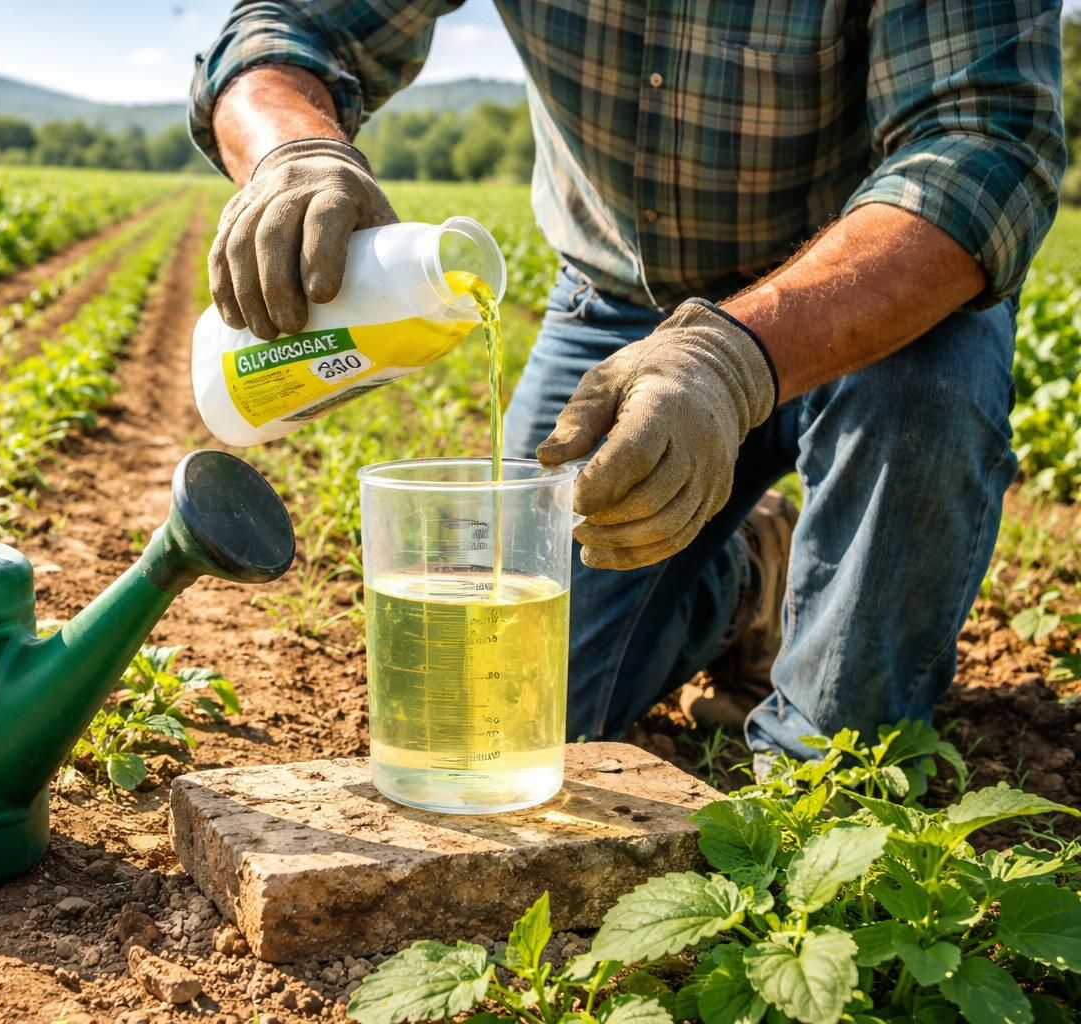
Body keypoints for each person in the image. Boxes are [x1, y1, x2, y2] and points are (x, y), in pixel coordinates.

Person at [188, 1, 1067, 760]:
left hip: (882, 298)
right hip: (620, 305)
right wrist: (292, 151)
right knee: (510, 713)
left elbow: (983, 141)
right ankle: (746, 581)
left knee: (922, 415)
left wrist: (729, 357)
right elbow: (287, 25)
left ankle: (823, 776)